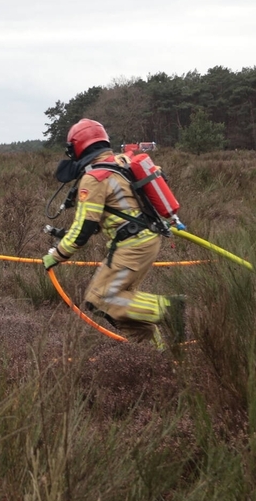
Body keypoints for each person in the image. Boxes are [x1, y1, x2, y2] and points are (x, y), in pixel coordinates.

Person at [42, 119, 184, 350]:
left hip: (133, 245)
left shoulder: (94, 177)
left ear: (79, 147)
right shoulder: (121, 162)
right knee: (113, 302)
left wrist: (57, 254)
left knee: (103, 298)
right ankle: (155, 350)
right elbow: (109, 213)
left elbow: (84, 227)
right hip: (143, 240)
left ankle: (169, 309)